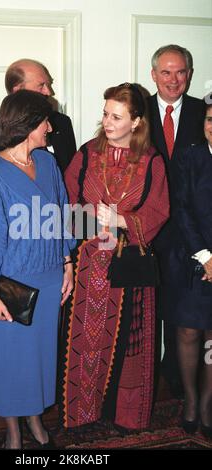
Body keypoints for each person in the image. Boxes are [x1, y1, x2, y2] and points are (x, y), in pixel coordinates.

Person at [0, 89, 75, 449]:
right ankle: (13, 428)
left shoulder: (47, 163)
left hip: (48, 277)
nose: (49, 127)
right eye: (45, 121)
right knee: (13, 359)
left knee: (42, 355)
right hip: (11, 284)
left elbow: (61, 217)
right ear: (27, 124)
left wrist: (68, 264)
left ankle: (34, 417)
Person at [59, 83, 169, 431]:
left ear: (136, 122)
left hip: (130, 265)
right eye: (105, 114)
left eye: (117, 117)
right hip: (89, 264)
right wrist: (91, 222)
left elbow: (159, 210)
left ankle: (127, 416)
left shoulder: (152, 160)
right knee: (86, 341)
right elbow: (66, 202)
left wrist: (121, 220)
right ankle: (82, 415)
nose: (107, 122)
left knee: (131, 348)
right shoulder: (87, 153)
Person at [147, 44, 206, 397]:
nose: (173, 79)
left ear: (189, 75)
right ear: (153, 75)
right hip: (148, 230)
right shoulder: (138, 112)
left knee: (186, 314)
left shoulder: (204, 113)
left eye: (180, 72)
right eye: (166, 72)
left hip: (192, 232)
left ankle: (181, 379)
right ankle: (146, 379)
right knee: (150, 307)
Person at [165, 103, 212, 438]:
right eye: (211, 120)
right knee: (188, 332)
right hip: (192, 260)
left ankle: (208, 403)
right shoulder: (188, 157)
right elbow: (180, 209)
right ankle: (191, 400)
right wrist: (206, 256)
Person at [0, 58, 77, 172]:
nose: (48, 92)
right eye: (41, 85)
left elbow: (71, 174)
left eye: (48, 84)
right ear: (18, 91)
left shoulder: (61, 122)